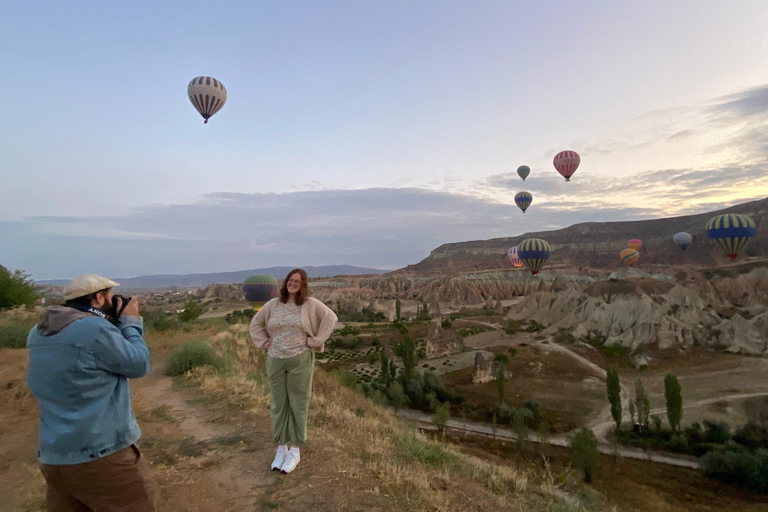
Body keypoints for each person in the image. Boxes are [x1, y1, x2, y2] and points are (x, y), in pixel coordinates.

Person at [26, 274, 154, 511]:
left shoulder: (39, 332)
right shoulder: (94, 328)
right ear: (98, 297)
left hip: (55, 459)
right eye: (111, 297)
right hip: (102, 457)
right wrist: (131, 323)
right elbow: (139, 364)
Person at [250, 268, 337, 474]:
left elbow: (330, 318)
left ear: (303, 284)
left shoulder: (310, 304)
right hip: (275, 360)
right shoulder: (273, 305)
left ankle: (295, 450)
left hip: (300, 360)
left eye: (298, 281)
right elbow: (256, 323)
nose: (293, 283)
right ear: (285, 282)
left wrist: (315, 341)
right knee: (279, 404)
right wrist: (263, 342)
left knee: (298, 402)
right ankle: (281, 448)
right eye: (291, 279)